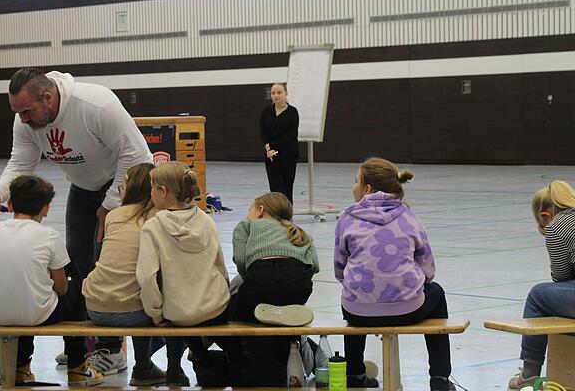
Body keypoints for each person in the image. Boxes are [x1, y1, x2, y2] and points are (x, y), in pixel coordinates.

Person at [0, 68, 153, 367]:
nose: (22, 119)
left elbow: (137, 156)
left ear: (47, 98)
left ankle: (114, 350)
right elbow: (21, 162)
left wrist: (111, 203)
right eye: (17, 112)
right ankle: (91, 341)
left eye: (27, 111)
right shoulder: (25, 117)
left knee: (112, 266)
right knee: (79, 262)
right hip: (84, 188)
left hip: (126, 187)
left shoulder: (97, 104)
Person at [334, 157, 455, 391]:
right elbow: (428, 269)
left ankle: (355, 375)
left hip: (359, 312)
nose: (353, 187)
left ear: (367, 189)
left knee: (352, 292)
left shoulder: (347, 218)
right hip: (408, 309)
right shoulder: (408, 216)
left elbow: (340, 268)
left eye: (355, 181)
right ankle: (440, 378)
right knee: (436, 292)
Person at [0, 175, 103, 387]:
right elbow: (62, 289)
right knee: (76, 289)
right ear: (46, 208)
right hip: (34, 313)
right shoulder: (49, 235)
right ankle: (77, 366)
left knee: (26, 292)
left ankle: (20, 368)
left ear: (9, 204)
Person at [83, 162, 187, 386]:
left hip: (94, 308)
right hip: (132, 311)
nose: (120, 189)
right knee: (171, 299)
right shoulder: (160, 218)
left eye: (123, 184)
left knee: (137, 288)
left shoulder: (114, 215)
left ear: (131, 188)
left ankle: (144, 367)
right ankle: (170, 367)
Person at [136, 161, 230, 386]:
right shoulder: (206, 221)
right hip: (215, 308)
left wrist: (156, 313)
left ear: (163, 191)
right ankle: (209, 359)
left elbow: (147, 277)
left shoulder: (152, 227)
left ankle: (200, 358)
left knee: (183, 313)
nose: (150, 193)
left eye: (152, 187)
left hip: (176, 314)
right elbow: (221, 267)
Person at [230, 191, 319, 385]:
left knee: (236, 310)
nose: (248, 215)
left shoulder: (247, 225)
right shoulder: (299, 231)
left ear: (261, 210)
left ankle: (251, 363)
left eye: (249, 210)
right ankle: (288, 319)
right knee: (282, 307)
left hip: (259, 284)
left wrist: (253, 281)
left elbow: (241, 260)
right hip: (297, 286)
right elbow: (314, 266)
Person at [507, 180, 575, 390]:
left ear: (545, 215)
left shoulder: (556, 226)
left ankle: (529, 374)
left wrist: (549, 233)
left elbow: (561, 277)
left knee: (538, 296)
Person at [259, 82, 299, 204]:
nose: (276, 95)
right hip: (270, 156)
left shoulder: (292, 112)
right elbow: (262, 130)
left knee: (287, 187)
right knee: (275, 188)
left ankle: (287, 215)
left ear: (286, 94)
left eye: (279, 92)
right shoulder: (266, 111)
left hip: (288, 155)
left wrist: (272, 146)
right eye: (273, 93)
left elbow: (290, 135)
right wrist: (268, 148)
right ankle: (277, 214)